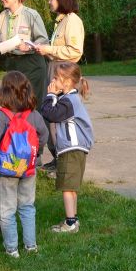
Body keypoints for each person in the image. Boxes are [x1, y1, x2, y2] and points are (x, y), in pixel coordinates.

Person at [0, 71, 49, 258]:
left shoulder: (0, 115)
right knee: (27, 206)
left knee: (6, 209)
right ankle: (31, 245)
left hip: (7, 169)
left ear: (4, 91)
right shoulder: (34, 115)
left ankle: (11, 249)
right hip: (28, 168)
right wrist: (35, 153)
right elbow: (43, 135)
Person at [35, 0, 85, 173]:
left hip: (65, 74)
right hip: (55, 70)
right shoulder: (61, 21)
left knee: (61, 116)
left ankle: (64, 159)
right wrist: (42, 49)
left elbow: (75, 51)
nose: (49, 1)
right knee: (51, 116)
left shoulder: (72, 21)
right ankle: (57, 157)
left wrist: (49, 50)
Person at [40, 62, 94, 233]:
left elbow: (49, 113)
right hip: (75, 150)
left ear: (68, 81)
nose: (53, 81)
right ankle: (73, 220)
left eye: (56, 78)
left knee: (67, 188)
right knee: (71, 188)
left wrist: (50, 95)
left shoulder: (69, 101)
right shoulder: (69, 99)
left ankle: (70, 224)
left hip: (71, 150)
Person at [0, 0, 49, 110]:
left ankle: (39, 130)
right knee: (14, 104)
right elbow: (0, 40)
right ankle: (18, 130)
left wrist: (29, 46)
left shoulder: (31, 15)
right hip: (12, 64)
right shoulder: (2, 16)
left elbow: (43, 40)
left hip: (32, 64)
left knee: (33, 104)